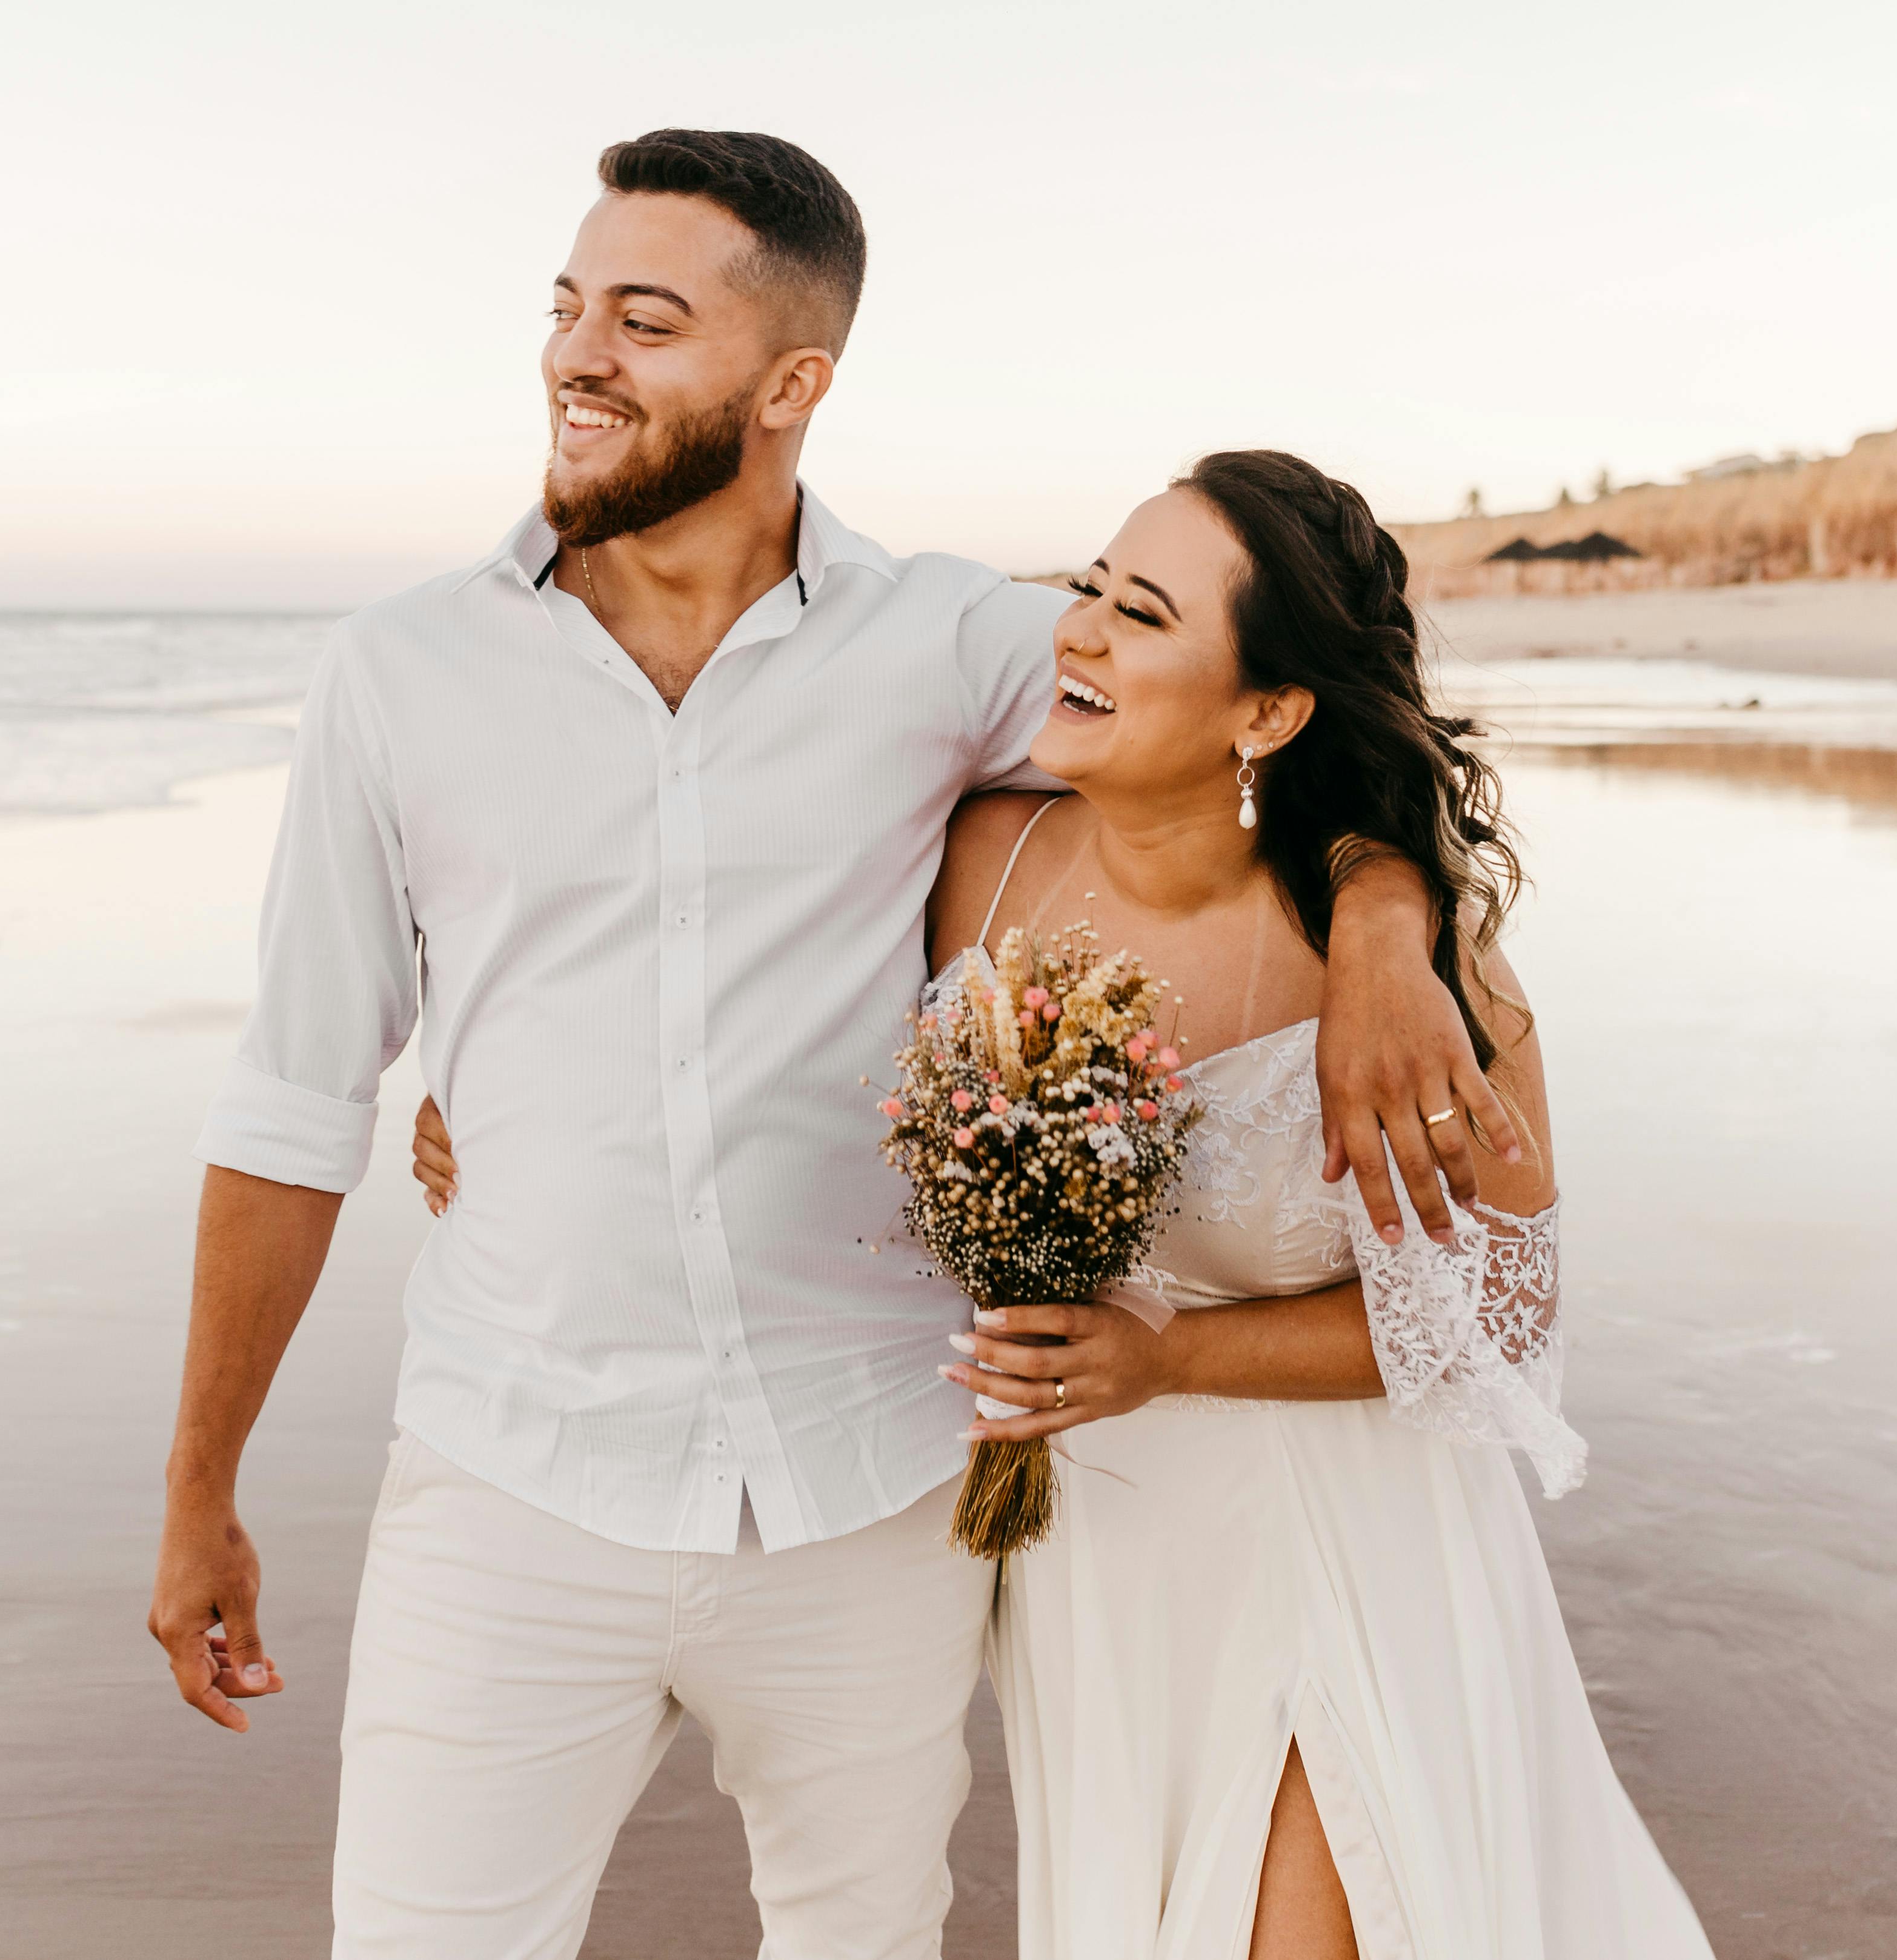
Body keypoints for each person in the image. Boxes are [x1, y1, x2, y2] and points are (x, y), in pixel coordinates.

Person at [150, 130, 1499, 1959]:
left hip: (865, 1484)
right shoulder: (396, 675)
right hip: (510, 1482)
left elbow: (1264, 719)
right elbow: (298, 1091)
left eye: (643, 319)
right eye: (565, 308)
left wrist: (1382, 923)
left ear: (790, 384)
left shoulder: (940, 642)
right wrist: (199, 1487)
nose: (576, 355)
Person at [929, 453, 1712, 1955]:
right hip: (1102, 1559)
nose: (1077, 630)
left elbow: (1496, 1323)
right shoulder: (978, 859)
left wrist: (1169, 1358)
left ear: (1268, 712)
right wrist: (474, 1114)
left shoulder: (1423, 986)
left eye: (1141, 613)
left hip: (1348, 1543)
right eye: (1088, 585)